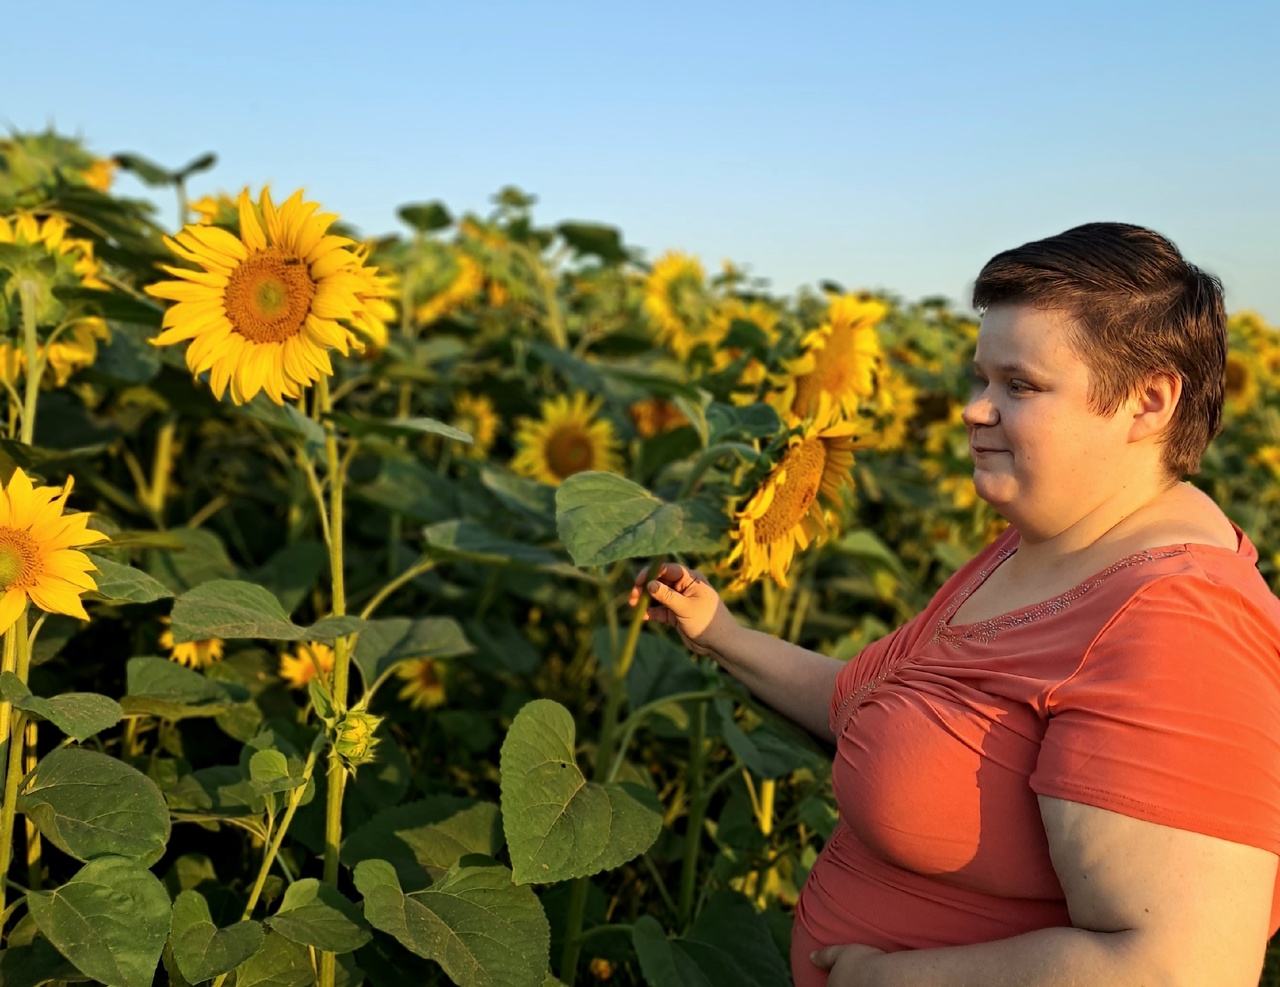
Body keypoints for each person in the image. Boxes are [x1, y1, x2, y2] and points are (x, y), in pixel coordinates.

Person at [629, 223, 1280, 986]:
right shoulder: (1049, 539)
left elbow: (1180, 968)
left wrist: (890, 979)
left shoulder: (1181, 626)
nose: (974, 409)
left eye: (1020, 385)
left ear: (1149, 400)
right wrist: (721, 634)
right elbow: (877, 705)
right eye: (981, 378)